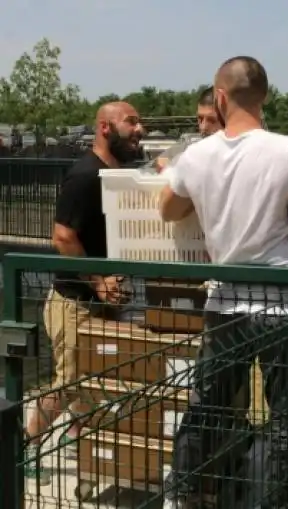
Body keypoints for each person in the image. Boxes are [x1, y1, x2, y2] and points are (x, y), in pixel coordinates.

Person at [159, 56, 288, 508]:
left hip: (224, 301)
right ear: (265, 96)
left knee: (207, 406)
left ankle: (182, 494)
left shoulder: (196, 155)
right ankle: (276, 502)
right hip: (283, 304)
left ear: (221, 96)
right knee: (287, 419)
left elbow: (168, 209)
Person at [24, 101, 144, 483]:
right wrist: (97, 280)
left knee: (100, 380)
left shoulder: (116, 172)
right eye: (132, 122)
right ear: (106, 128)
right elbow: (62, 236)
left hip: (105, 301)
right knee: (69, 382)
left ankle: (79, 439)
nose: (139, 129)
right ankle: (26, 445)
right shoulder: (85, 175)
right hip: (75, 303)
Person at [145, 86, 222, 172]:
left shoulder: (237, 152)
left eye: (212, 120)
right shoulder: (189, 144)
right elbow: (155, 165)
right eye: (200, 119)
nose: (203, 127)